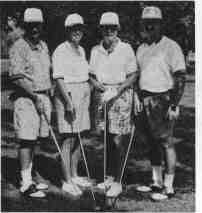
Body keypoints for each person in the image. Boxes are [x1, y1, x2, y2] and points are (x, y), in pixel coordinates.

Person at [136, 6, 186, 200]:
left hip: (164, 99)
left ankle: (169, 187)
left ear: (160, 24)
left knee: (166, 143)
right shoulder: (141, 48)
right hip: (145, 99)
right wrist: (139, 98)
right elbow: (139, 75)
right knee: (151, 143)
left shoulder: (171, 46)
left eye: (154, 23)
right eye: (146, 23)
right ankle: (156, 182)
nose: (150, 26)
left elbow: (180, 76)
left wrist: (174, 104)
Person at [89, 12, 140, 197]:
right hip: (104, 95)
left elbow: (133, 74)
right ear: (101, 29)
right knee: (107, 139)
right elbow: (91, 76)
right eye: (105, 28)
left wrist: (117, 90)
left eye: (112, 28)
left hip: (121, 95)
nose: (109, 31)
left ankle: (118, 181)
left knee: (119, 140)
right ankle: (109, 177)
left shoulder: (126, 48)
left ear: (118, 29)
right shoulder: (95, 50)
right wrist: (100, 88)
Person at [9, 8, 52, 198]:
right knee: (26, 140)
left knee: (35, 139)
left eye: (37, 25)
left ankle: (30, 177)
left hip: (43, 96)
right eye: (30, 25)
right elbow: (17, 77)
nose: (34, 28)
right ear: (25, 27)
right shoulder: (19, 46)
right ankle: (25, 183)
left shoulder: (43, 45)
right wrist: (35, 97)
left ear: (42, 26)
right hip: (26, 98)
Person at [52, 13, 92, 197]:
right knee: (68, 138)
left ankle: (75, 175)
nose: (77, 31)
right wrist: (68, 102)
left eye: (79, 28)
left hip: (83, 94)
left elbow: (86, 75)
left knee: (79, 136)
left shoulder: (82, 50)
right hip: (68, 96)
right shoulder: (61, 50)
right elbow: (59, 78)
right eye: (73, 28)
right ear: (67, 31)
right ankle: (66, 180)